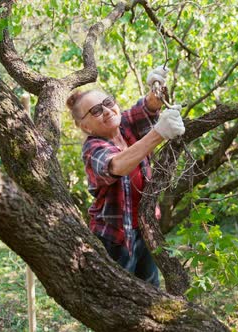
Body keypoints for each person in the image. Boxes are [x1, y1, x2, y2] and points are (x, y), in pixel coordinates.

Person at [66, 66, 185, 287]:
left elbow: (147, 108)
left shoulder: (125, 126)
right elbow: (117, 165)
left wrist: (156, 87)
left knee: (151, 291)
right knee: (120, 295)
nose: (107, 111)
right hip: (116, 238)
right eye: (96, 111)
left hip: (144, 230)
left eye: (108, 103)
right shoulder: (93, 148)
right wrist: (159, 132)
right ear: (85, 125)